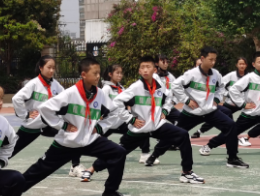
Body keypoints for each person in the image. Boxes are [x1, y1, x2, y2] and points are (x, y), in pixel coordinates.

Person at [19, 57, 130, 196]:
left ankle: (109, 192)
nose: (98, 76)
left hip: (90, 140)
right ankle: (14, 189)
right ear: (83, 74)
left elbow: (114, 112)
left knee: (118, 152)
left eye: (99, 73)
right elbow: (45, 109)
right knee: (39, 170)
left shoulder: (100, 94)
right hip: (68, 142)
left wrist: (100, 127)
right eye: (95, 73)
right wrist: (63, 126)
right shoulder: (70, 93)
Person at [84, 56, 204, 184]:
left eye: (148, 67)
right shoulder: (135, 88)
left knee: (183, 135)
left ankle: (187, 173)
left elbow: (169, 97)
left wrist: (164, 111)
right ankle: (91, 169)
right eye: (142, 67)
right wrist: (131, 119)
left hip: (157, 125)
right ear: (139, 71)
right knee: (119, 152)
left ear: (154, 70)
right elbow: (116, 103)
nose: (145, 70)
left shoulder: (159, 87)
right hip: (139, 128)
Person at [145, 47, 235, 165]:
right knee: (174, 134)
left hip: (209, 111)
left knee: (231, 126)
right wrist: (186, 100)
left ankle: (233, 159)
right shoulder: (191, 74)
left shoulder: (216, 74)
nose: (213, 62)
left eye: (214, 60)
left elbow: (221, 87)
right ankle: (154, 155)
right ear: (202, 59)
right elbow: (176, 85)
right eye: (210, 59)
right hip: (191, 113)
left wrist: (217, 98)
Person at [9, 56, 83, 175]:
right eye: (49, 67)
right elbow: (16, 98)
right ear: (41, 68)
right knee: (11, 149)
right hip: (34, 125)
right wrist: (25, 115)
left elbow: (67, 98)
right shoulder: (33, 84)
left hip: (49, 124)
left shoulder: (56, 85)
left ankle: (75, 166)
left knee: (73, 134)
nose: (52, 70)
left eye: (53, 68)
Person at [98, 64, 154, 164]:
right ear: (110, 74)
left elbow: (127, 101)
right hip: (109, 122)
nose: (120, 75)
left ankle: (145, 154)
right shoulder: (106, 89)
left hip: (121, 121)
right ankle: (75, 163)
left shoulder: (121, 88)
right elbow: (101, 104)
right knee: (89, 139)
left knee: (141, 127)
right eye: (117, 73)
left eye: (121, 73)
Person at [196, 56, 248, 140]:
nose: (242, 66)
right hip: (231, 103)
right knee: (218, 116)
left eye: (244, 64)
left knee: (258, 113)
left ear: (246, 65)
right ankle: (200, 131)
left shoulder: (249, 77)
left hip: (245, 103)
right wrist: (227, 94)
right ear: (236, 65)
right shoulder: (231, 76)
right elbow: (220, 86)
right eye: (240, 64)